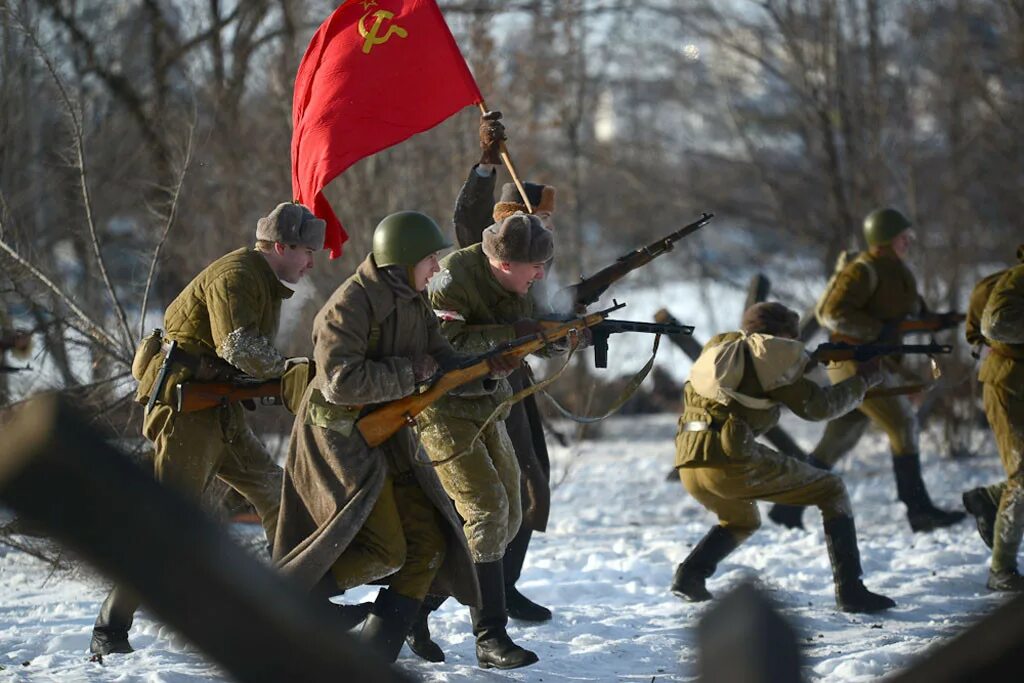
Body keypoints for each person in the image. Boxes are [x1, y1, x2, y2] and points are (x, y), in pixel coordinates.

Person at [272, 211, 517, 663]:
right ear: (402, 259)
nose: (438, 268)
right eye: (429, 259)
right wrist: (409, 372)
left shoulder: (414, 300)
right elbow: (340, 382)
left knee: (429, 544)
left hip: (389, 435)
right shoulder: (349, 306)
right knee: (385, 550)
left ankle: (374, 654)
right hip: (339, 441)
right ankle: (289, 595)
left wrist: (487, 370)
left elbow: (442, 363)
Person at [90, 201, 323, 655]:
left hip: (221, 411)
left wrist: (288, 374)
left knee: (280, 497)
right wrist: (292, 371)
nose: (312, 261)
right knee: (167, 521)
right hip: (187, 415)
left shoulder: (264, 282)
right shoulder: (236, 276)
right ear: (281, 246)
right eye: (308, 251)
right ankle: (109, 627)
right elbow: (238, 347)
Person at [673, 302, 895, 613]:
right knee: (832, 489)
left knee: (741, 519)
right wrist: (864, 380)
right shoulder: (770, 355)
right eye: (792, 338)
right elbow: (818, 407)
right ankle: (852, 591)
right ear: (778, 335)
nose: (795, 345)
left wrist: (805, 364)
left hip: (691, 459)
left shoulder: (721, 346)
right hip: (729, 460)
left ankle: (689, 576)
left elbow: (750, 380)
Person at [413, 212, 562, 670]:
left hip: (486, 405)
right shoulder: (454, 277)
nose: (541, 274)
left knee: (513, 510)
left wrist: (556, 336)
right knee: (486, 510)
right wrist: (512, 336)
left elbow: (529, 327)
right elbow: (444, 339)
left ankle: (410, 612)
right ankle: (490, 636)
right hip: (441, 409)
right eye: (534, 267)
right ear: (503, 262)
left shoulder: (520, 282)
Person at [768, 208, 965, 532]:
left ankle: (787, 509)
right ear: (885, 238)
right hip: (856, 364)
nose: (909, 242)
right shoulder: (862, 271)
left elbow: (901, 319)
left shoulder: (898, 271)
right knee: (903, 424)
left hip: (874, 360)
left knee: (838, 441)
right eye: (904, 237)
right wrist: (877, 330)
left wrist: (940, 320)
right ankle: (919, 511)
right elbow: (833, 314)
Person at [961, 245, 1024, 591]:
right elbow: (995, 324)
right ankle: (1001, 569)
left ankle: (988, 498)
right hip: (1006, 386)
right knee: (1023, 477)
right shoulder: (1019, 279)